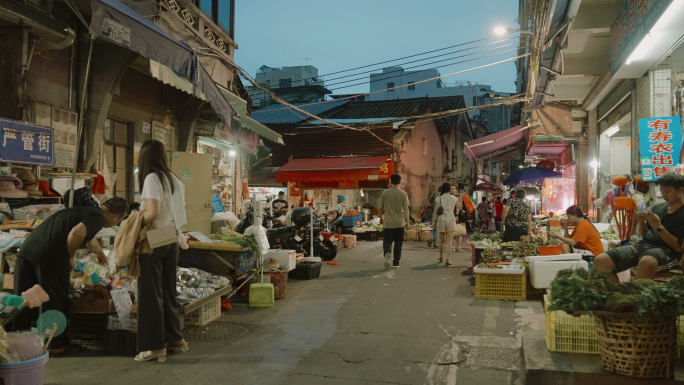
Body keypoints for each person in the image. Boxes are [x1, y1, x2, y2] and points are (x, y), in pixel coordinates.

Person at [13, 196, 129, 356]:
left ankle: (15, 345)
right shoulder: (98, 217)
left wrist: (101, 254)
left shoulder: (84, 212)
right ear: (116, 217)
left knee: (23, 299)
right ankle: (58, 345)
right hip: (50, 255)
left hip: (27, 251)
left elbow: (89, 238)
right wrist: (71, 256)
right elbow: (76, 234)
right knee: (54, 298)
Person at [136, 139, 188, 362]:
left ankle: (154, 347)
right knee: (168, 289)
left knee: (149, 293)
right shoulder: (174, 179)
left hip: (155, 238)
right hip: (172, 238)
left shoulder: (151, 178)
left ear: (145, 157)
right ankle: (175, 338)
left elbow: (153, 212)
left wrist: (136, 220)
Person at [594, 173, 684, 280]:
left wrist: (658, 226)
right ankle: (618, 294)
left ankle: (636, 294)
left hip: (667, 252)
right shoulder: (657, 208)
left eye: (667, 191)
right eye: (662, 191)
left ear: (680, 190)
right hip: (643, 246)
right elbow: (645, 235)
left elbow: (678, 247)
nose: (664, 195)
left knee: (646, 262)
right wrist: (641, 223)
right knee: (601, 261)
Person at [379, 174, 410, 269]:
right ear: (400, 181)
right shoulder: (403, 194)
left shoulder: (385, 193)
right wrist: (408, 221)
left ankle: (387, 253)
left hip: (388, 222)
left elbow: (381, 207)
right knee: (398, 242)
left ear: (390, 181)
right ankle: (396, 262)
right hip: (399, 222)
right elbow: (405, 209)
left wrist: (380, 217)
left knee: (387, 240)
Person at [432, 183, 460, 265]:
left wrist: (433, 221)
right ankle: (448, 259)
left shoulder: (438, 198)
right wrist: (460, 198)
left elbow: (435, 211)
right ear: (449, 189)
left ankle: (441, 257)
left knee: (441, 241)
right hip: (451, 219)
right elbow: (460, 207)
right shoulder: (454, 198)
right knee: (449, 240)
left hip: (441, 219)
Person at [449, 185, 465, 252]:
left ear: (456, 190)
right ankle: (452, 247)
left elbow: (458, 207)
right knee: (452, 232)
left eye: (453, 189)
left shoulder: (457, 197)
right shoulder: (449, 197)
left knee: (459, 231)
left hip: (456, 216)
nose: (451, 190)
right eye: (451, 189)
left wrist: (457, 215)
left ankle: (458, 247)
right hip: (450, 216)